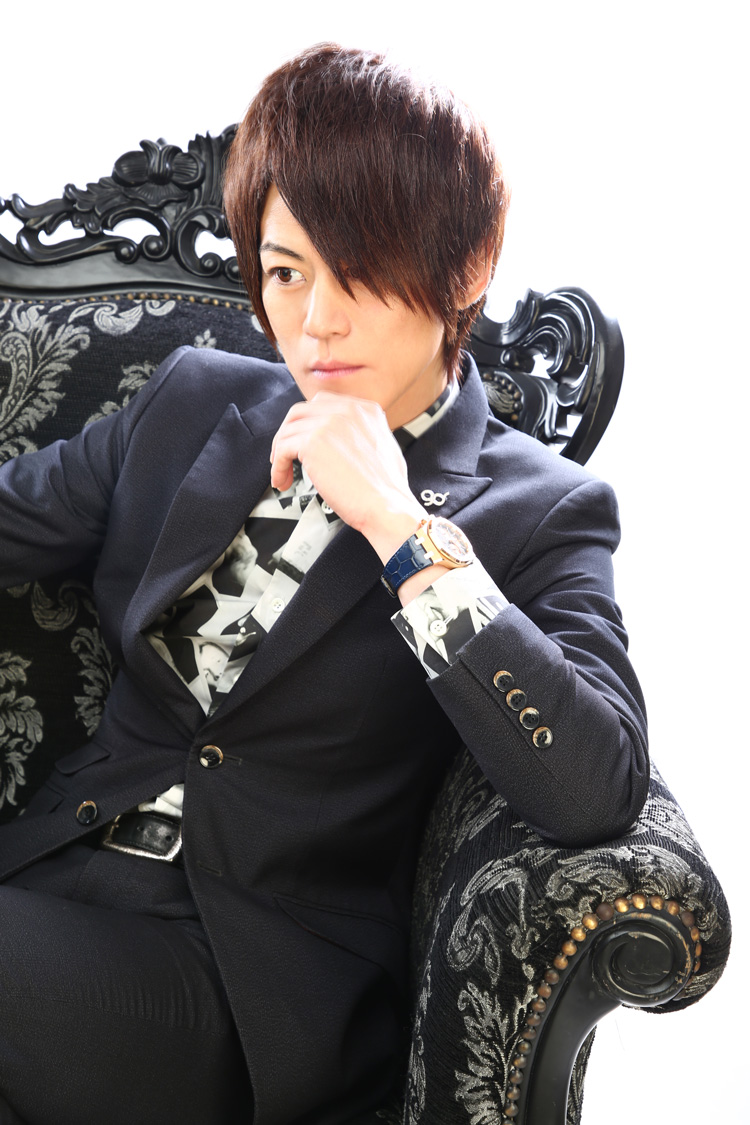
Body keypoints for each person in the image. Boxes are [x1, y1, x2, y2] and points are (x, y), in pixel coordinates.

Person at [0, 43, 649, 1125]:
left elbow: (598, 784)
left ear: (468, 267)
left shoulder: (539, 510)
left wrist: (401, 526)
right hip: (51, 879)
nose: (316, 322)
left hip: (248, 981)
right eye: (288, 272)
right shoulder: (194, 400)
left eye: (359, 270)